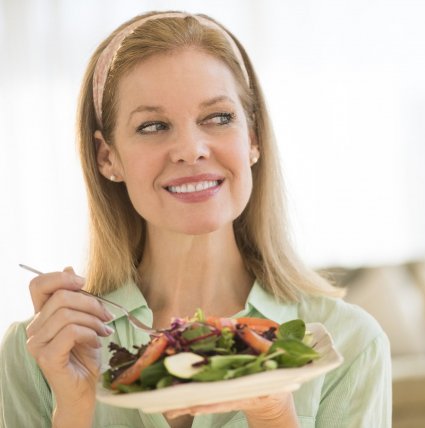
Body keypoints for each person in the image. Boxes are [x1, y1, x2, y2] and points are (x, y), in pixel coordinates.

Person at [0, 10, 391, 428]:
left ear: (253, 138)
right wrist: (75, 409)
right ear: (107, 157)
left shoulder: (349, 342)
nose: (190, 149)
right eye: (153, 126)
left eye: (218, 118)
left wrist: (274, 413)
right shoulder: (44, 351)